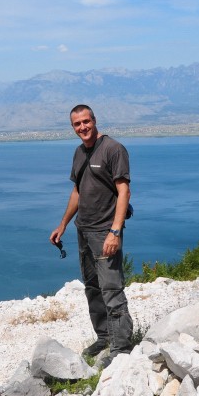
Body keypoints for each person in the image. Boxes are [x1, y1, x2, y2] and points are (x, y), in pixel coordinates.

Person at [50, 104, 134, 368]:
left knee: (111, 288)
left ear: (95, 121)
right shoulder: (79, 152)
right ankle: (104, 336)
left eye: (86, 122)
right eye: (77, 124)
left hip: (104, 231)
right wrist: (63, 224)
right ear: (72, 127)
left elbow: (124, 192)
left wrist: (115, 232)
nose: (82, 127)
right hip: (83, 230)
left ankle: (122, 347)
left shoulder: (113, 149)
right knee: (92, 287)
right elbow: (78, 191)